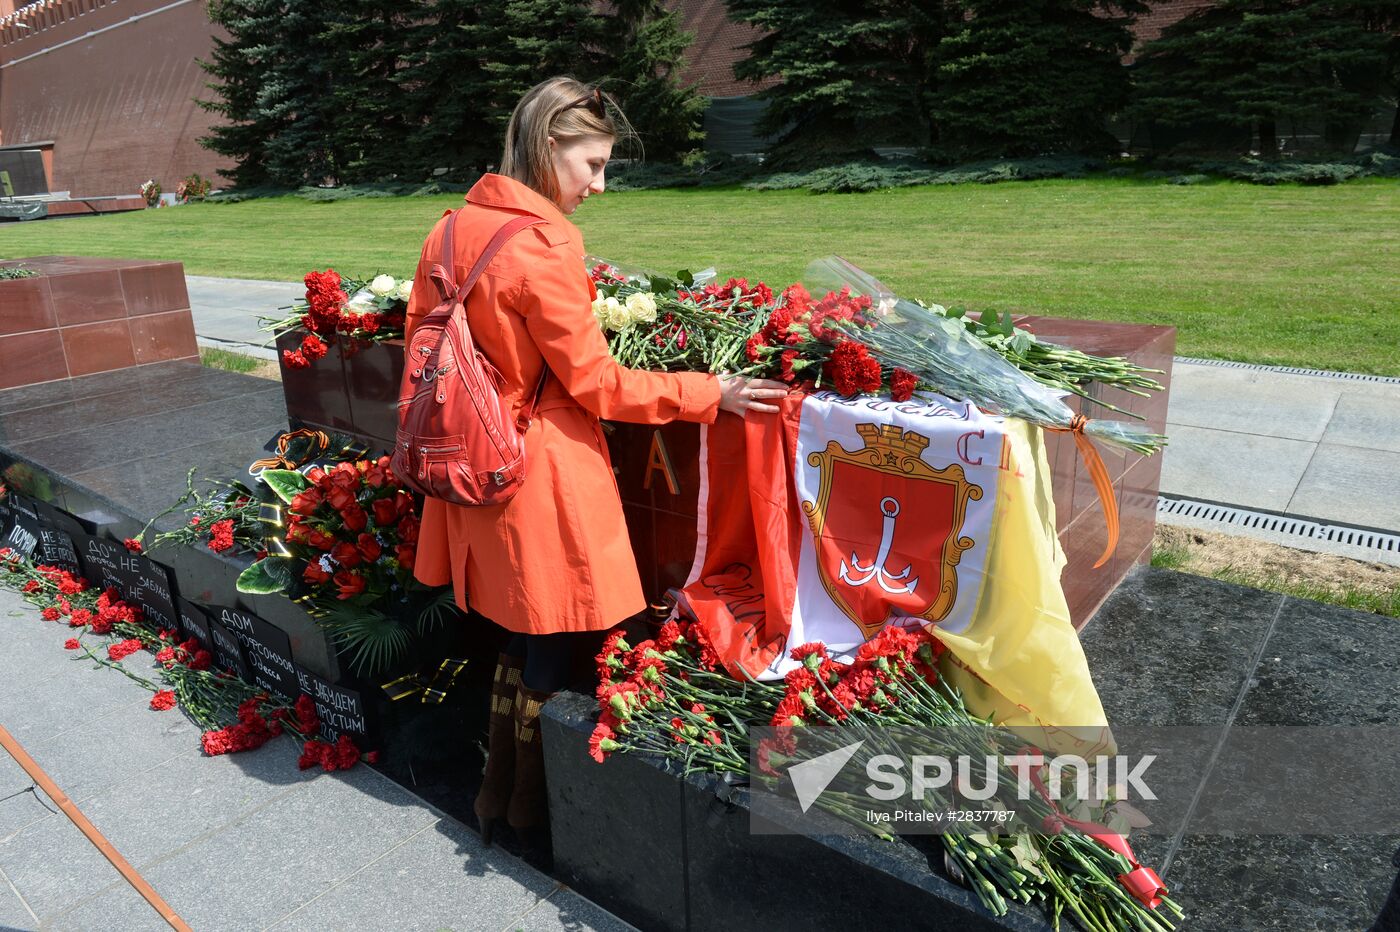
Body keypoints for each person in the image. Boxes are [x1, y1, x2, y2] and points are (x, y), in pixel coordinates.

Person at [403, 76, 788, 848]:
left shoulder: (452, 227)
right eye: (593, 164)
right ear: (550, 146)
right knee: (554, 637)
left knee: (517, 633)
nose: (599, 185)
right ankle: (538, 813)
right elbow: (600, 383)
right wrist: (711, 391)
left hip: (468, 458)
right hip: (537, 471)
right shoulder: (542, 247)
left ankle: (500, 798)